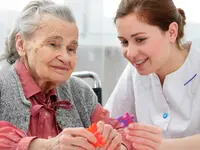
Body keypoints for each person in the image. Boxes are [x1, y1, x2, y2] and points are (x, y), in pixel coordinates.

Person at [0, 0, 128, 149]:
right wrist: (47, 146)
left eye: (71, 49)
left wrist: (117, 144)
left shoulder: (81, 92)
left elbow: (121, 128)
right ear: (21, 44)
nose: (65, 57)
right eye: (53, 44)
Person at [105, 0, 200, 150]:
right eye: (124, 42)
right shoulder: (135, 70)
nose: (130, 53)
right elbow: (112, 122)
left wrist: (163, 146)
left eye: (140, 40)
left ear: (171, 32)